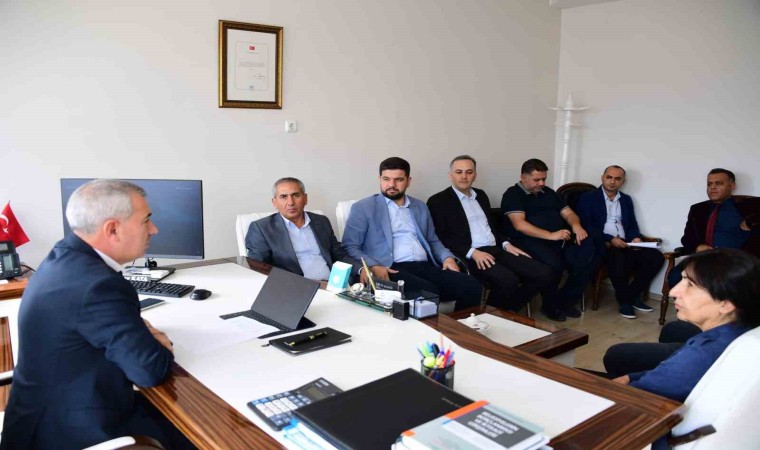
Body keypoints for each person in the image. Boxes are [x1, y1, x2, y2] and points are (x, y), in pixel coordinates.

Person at [0, 180, 186, 449]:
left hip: (39, 416)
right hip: (71, 433)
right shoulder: (98, 285)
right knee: (208, 428)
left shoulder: (65, 256)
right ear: (112, 229)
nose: (154, 229)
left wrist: (137, 330)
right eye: (146, 220)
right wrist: (158, 340)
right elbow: (150, 370)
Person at [610, 249, 760, 449]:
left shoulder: (702, 354)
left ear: (725, 305)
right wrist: (631, 377)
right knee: (673, 330)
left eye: (690, 285)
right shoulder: (740, 329)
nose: (673, 291)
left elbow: (629, 399)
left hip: (644, 431)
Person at [342, 157, 482, 311]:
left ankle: (461, 325)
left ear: (408, 181)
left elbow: (432, 240)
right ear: (379, 179)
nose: (391, 185)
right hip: (390, 268)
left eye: (398, 180)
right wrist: (373, 266)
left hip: (424, 265)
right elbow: (350, 246)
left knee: (472, 285)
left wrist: (447, 258)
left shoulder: (419, 206)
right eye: (386, 179)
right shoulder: (364, 207)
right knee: (428, 293)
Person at [426, 155, 558, 312]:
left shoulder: (481, 195)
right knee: (508, 280)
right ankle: (492, 316)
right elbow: (441, 237)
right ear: (450, 175)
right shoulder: (438, 201)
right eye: (459, 172)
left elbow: (492, 226)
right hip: (469, 254)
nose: (464, 176)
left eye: (469, 172)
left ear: (475, 175)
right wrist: (473, 252)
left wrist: (506, 244)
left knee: (544, 273)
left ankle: (506, 310)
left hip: (496, 248)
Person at [500, 158, 602, 321]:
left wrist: (576, 225)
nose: (541, 183)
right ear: (523, 177)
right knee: (555, 264)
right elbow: (520, 225)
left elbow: (569, 214)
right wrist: (550, 235)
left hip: (559, 238)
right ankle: (550, 305)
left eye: (544, 179)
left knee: (592, 251)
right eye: (537, 180)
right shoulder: (513, 194)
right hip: (529, 240)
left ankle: (565, 299)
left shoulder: (548, 193)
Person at [576, 165, 663, 319]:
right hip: (603, 243)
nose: (612, 182)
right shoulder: (588, 198)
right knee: (618, 257)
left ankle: (631, 296)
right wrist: (610, 239)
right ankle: (625, 302)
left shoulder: (626, 199)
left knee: (656, 257)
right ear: (602, 177)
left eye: (617, 179)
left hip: (625, 242)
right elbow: (587, 226)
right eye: (609, 177)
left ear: (623, 181)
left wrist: (635, 237)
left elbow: (632, 224)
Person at [245, 177, 361, 281]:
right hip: (294, 289)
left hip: (332, 285)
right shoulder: (261, 228)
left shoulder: (321, 221)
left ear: (305, 199)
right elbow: (258, 269)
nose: (290, 202)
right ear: (274, 202)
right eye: (283, 197)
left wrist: (361, 270)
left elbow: (339, 254)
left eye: (295, 195)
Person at [668, 168, 760, 289]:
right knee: (675, 276)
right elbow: (687, 238)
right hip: (705, 258)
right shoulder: (698, 209)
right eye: (709, 184)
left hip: (737, 259)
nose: (713, 187)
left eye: (718, 183)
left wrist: (750, 222)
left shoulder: (749, 205)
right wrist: (698, 247)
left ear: (732, 186)